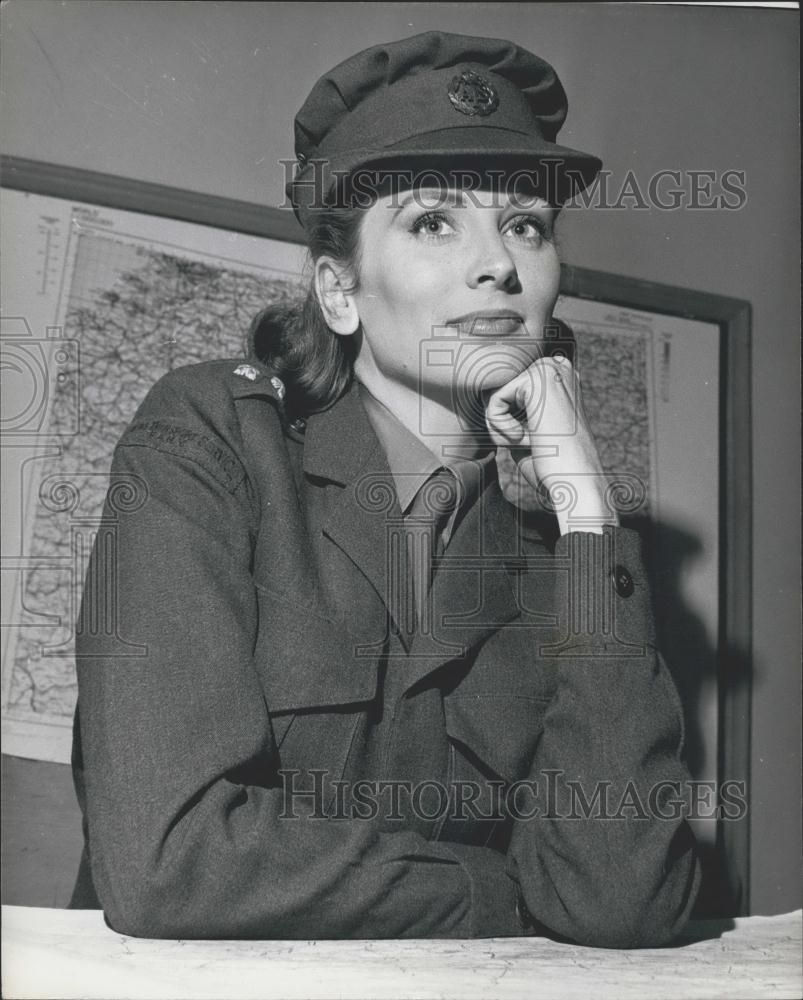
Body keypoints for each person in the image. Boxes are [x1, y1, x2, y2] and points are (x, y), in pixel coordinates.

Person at [70, 30, 701, 945]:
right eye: (432, 222)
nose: (498, 264)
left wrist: (587, 514)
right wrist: (501, 895)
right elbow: (172, 865)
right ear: (338, 291)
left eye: (524, 223)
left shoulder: (555, 554)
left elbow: (618, 902)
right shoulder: (211, 440)